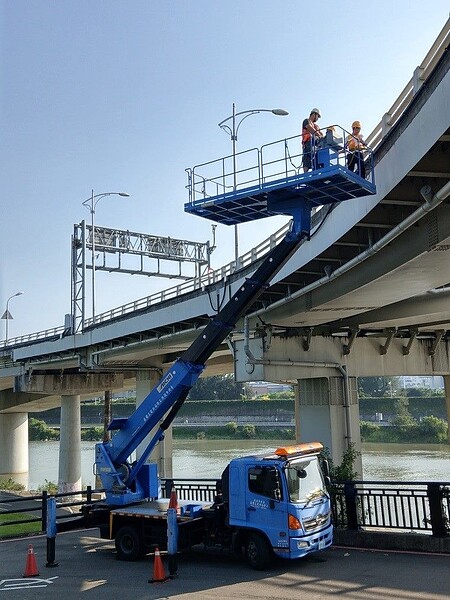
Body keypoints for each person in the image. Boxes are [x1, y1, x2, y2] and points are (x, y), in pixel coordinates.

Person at [302, 108, 324, 172]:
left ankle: (316, 171)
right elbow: (309, 128)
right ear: (314, 114)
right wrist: (318, 134)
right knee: (307, 158)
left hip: (315, 143)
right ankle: (306, 175)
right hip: (308, 142)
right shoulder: (306, 121)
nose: (317, 119)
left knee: (315, 157)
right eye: (317, 116)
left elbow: (321, 134)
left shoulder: (316, 126)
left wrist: (320, 135)